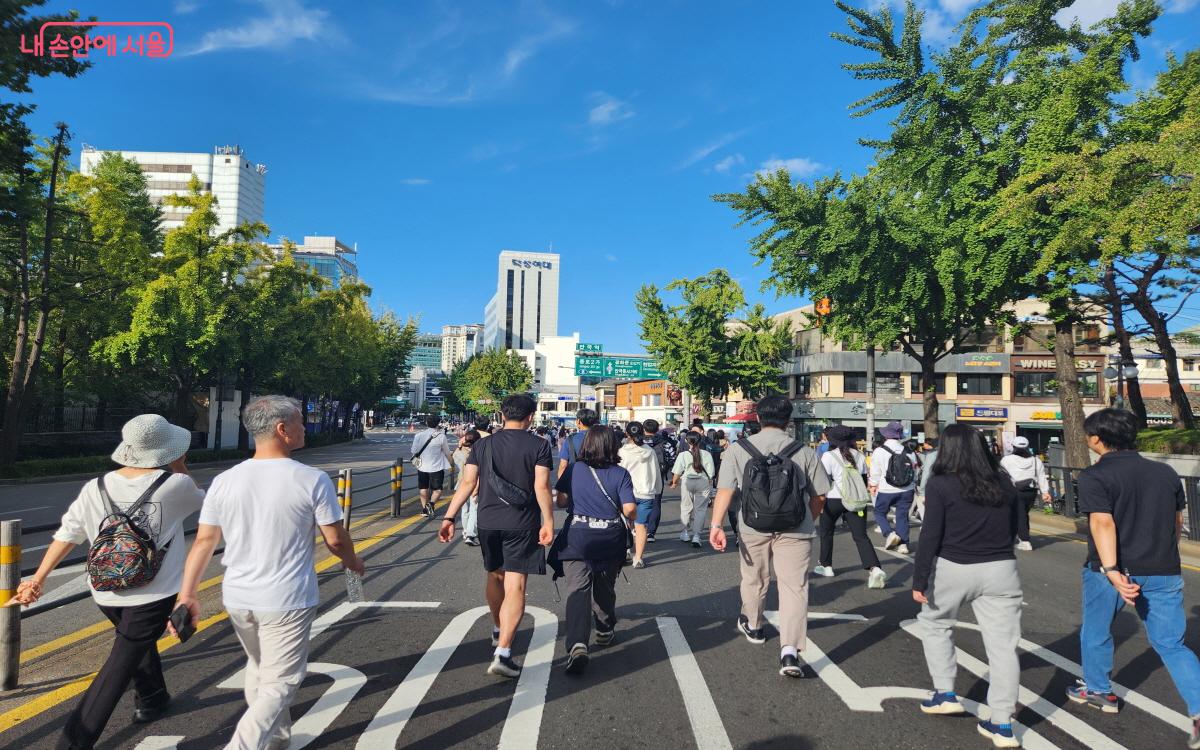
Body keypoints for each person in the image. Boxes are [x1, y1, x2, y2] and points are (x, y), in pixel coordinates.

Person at [175, 396, 364, 750]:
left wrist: (188, 594)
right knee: (283, 682)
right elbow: (336, 539)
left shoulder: (225, 480)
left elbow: (203, 542)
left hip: (238, 595)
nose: (304, 427)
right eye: (300, 422)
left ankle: (277, 738)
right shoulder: (312, 479)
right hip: (287, 597)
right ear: (282, 430)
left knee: (260, 668)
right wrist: (353, 561)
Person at [9, 415, 203, 750]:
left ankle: (152, 697)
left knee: (132, 645)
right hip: (153, 593)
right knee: (118, 667)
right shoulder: (176, 485)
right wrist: (179, 465)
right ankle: (72, 744)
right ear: (167, 450)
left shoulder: (96, 486)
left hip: (105, 588)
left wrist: (37, 579)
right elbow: (203, 504)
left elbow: (67, 535)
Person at [1066, 409, 1200, 749]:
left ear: (1096, 438)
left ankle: (1099, 691)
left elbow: (1102, 524)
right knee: (1171, 644)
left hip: (1109, 570)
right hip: (1163, 568)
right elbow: (1175, 522)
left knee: (1097, 631)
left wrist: (1112, 571)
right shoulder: (1165, 473)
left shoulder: (1095, 476)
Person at [912, 423, 1022, 748]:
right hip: (1002, 568)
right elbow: (1017, 527)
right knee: (1003, 647)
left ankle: (945, 692)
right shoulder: (1004, 482)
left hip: (954, 566)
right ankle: (1002, 723)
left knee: (935, 624)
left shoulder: (941, 484)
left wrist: (920, 579)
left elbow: (930, 533)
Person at [709, 393, 830, 678]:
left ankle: (754, 625)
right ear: (788, 420)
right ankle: (790, 650)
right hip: (796, 529)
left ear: (758, 418)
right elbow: (820, 496)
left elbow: (725, 491)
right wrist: (805, 521)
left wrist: (716, 526)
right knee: (794, 588)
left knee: (754, 579)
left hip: (753, 526)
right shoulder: (804, 451)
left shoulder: (738, 450)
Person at [438, 394, 554, 678]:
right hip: (522, 522)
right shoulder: (539, 445)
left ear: (502, 415)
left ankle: (497, 627)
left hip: (488, 521)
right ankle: (503, 652)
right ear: (531, 417)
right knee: (515, 585)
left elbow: (468, 482)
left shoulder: (483, 444)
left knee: (494, 576)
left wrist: (449, 517)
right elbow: (541, 486)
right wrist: (548, 520)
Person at [548, 425, 637, 674]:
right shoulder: (620, 473)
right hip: (609, 538)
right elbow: (629, 509)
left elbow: (562, 500)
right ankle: (605, 629)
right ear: (613, 445)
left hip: (577, 536)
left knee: (577, 589)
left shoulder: (576, 469)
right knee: (604, 586)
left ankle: (577, 642)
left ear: (587, 445)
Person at [814, 425, 887, 589]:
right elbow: (861, 481)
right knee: (861, 536)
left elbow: (823, 481)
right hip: (855, 501)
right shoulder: (860, 456)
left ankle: (826, 566)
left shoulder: (828, 456)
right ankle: (874, 568)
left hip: (832, 499)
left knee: (827, 533)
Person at [869, 421, 918, 554]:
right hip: (907, 489)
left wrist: (873, 485)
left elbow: (875, 472)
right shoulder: (909, 451)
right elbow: (914, 471)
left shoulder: (879, 451)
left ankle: (889, 533)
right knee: (902, 516)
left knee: (879, 512)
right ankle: (903, 545)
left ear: (886, 435)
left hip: (886, 489)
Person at [619, 421, 663, 566]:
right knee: (641, 525)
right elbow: (656, 471)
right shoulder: (649, 451)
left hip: (626, 493)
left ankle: (625, 550)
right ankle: (638, 558)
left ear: (627, 434)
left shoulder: (623, 452)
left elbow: (618, 473)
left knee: (625, 523)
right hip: (646, 493)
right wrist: (657, 489)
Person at [999, 437, 1049, 552]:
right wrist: (1045, 492)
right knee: (1023, 514)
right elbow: (1041, 476)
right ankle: (1022, 538)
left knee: (1017, 515)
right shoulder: (1036, 460)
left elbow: (1001, 476)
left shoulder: (1006, 460)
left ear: (1013, 446)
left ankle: (1024, 540)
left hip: (1014, 490)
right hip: (1031, 492)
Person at [671, 432, 715, 550]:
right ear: (700, 441)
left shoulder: (683, 455)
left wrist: (674, 483)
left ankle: (685, 532)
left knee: (686, 507)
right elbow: (711, 474)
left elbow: (677, 473)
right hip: (703, 482)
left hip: (687, 482)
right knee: (700, 509)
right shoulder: (706, 454)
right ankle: (696, 536)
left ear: (686, 441)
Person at [410, 415, 452, 518]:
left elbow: (414, 451)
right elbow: (447, 452)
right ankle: (431, 504)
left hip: (422, 466)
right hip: (436, 466)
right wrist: (451, 463)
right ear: (438, 424)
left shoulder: (419, 435)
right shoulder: (441, 436)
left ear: (427, 423)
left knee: (423, 488)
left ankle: (425, 509)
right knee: (437, 489)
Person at [643, 418, 675, 542]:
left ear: (644, 429)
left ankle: (638, 528)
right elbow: (672, 457)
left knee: (638, 502)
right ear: (657, 430)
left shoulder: (636, 442)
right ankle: (651, 532)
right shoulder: (664, 442)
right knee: (656, 503)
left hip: (638, 476)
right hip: (657, 475)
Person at [453, 430, 482, 546]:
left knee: (464, 509)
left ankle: (465, 531)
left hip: (461, 482)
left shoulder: (458, 452)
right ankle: (471, 534)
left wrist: (460, 445)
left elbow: (453, 459)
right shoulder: (477, 453)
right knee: (474, 509)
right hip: (475, 482)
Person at [557, 408, 599, 476]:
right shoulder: (601, 438)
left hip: (575, 479)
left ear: (579, 421)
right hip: (599, 480)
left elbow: (563, 465)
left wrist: (561, 483)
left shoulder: (570, 439)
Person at [914, 437, 939, 523]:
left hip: (930, 484)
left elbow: (927, 472)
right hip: (942, 484)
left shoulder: (932, 454)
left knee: (921, 501)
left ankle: (927, 523)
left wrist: (922, 488)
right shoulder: (946, 453)